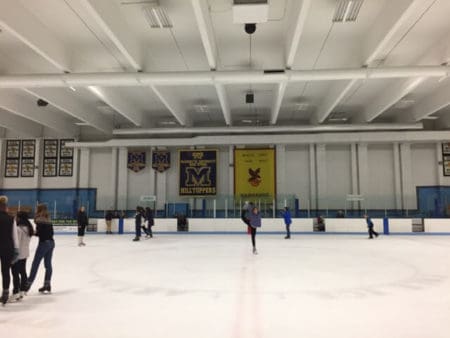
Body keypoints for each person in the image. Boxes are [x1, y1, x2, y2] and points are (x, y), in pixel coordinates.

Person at [25, 203, 55, 294]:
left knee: (35, 264)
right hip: (51, 243)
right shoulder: (48, 219)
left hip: (44, 244)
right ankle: (47, 284)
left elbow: (40, 233)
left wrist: (32, 233)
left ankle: (28, 284)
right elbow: (51, 233)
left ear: (39, 209)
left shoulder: (39, 219)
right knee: (48, 264)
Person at [10, 211, 33, 302]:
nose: (15, 218)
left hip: (18, 254)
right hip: (25, 253)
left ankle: (16, 291)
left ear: (20, 218)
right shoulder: (28, 228)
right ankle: (23, 290)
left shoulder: (19, 229)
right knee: (22, 271)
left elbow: (16, 243)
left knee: (15, 273)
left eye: (16, 216)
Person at [0, 196, 19, 305]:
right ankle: (5, 293)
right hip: (8, 248)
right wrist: (16, 250)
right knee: (5, 271)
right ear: (6, 207)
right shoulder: (11, 219)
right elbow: (15, 236)